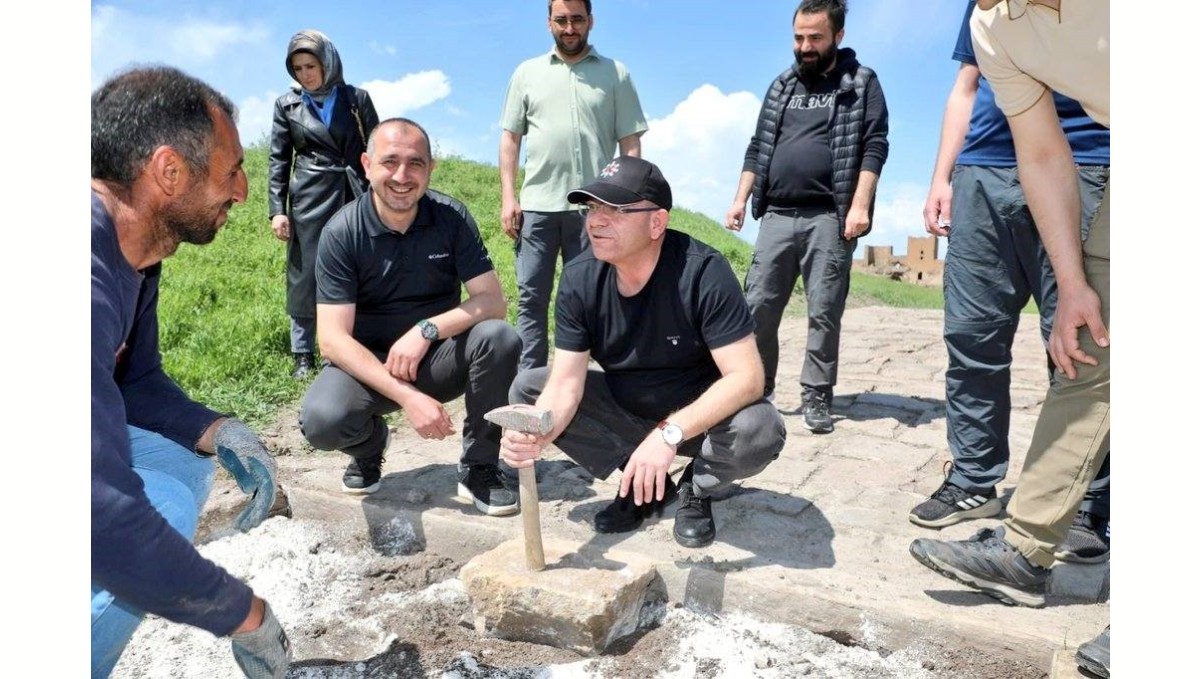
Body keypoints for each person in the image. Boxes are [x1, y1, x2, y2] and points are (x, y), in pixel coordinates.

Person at [907, 1, 1110, 674]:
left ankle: (1098, 517)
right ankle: (1022, 545)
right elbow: (1038, 145)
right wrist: (1074, 280)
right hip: (1058, 163)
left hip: (1108, 153)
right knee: (1091, 350)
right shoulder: (994, 24)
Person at [92, 67, 291, 678]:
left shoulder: (136, 259)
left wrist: (221, 430)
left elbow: (137, 380)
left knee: (177, 467)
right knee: (145, 516)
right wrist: (245, 615)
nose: (243, 191)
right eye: (231, 170)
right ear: (169, 172)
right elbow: (100, 513)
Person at [500, 156, 787, 548]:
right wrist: (538, 431)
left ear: (657, 222)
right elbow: (565, 383)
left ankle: (696, 488)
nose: (596, 221)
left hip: (700, 425)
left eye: (615, 210)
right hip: (627, 410)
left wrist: (668, 435)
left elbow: (748, 377)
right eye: (592, 208)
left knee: (761, 428)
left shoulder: (702, 272)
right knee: (530, 390)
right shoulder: (580, 278)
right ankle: (644, 483)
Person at [298, 118, 522, 516]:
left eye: (415, 163)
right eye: (390, 162)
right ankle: (369, 448)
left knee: (499, 337)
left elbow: (492, 302)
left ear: (431, 168)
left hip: (436, 360)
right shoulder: (342, 232)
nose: (402, 176)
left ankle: (480, 465)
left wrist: (427, 330)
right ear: (367, 164)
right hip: (367, 370)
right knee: (322, 419)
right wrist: (408, 398)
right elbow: (332, 339)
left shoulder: (450, 218)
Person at [724, 0, 888, 433]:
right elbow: (757, 145)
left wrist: (860, 205)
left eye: (815, 37)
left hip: (828, 217)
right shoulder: (782, 85)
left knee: (824, 310)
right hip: (776, 213)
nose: (805, 46)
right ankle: (756, 390)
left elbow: (874, 145)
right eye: (798, 37)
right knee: (756, 307)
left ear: (838, 35)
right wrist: (741, 199)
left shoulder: (860, 82)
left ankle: (817, 395)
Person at [499, 0, 648, 370]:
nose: (569, 28)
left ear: (590, 22)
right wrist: (508, 196)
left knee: (596, 296)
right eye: (561, 20)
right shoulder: (526, 73)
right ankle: (529, 383)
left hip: (596, 209)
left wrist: (629, 198)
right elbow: (510, 139)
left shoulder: (616, 74)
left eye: (577, 20)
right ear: (549, 22)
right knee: (531, 297)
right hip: (537, 207)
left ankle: (596, 382)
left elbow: (630, 142)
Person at [269, 29, 379, 380]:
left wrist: (380, 195)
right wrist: (277, 210)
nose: (305, 74)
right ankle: (303, 353)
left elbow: (375, 149)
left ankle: (354, 346)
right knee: (305, 274)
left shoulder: (355, 99)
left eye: (310, 65)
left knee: (357, 267)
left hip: (353, 193)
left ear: (327, 62)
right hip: (309, 197)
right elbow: (278, 160)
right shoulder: (286, 105)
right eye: (298, 68)